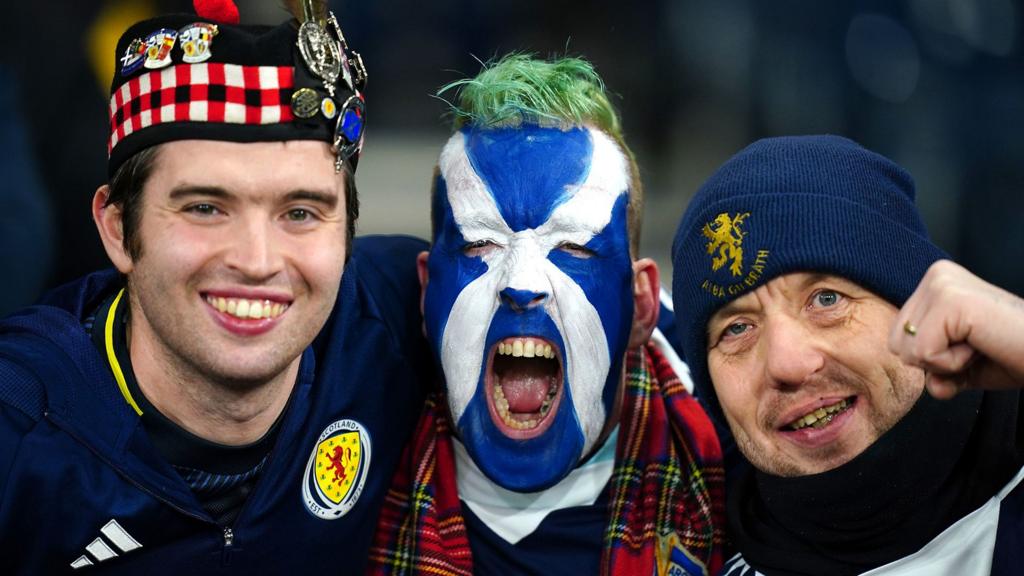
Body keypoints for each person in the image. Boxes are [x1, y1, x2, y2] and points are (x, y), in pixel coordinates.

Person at [0, 0, 429, 573]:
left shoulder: (400, 315)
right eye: (205, 207)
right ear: (118, 230)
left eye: (301, 213)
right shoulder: (18, 426)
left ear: (348, 234)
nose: (257, 261)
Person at [369, 54, 726, 576]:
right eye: (480, 243)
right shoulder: (354, 429)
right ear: (425, 293)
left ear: (642, 305)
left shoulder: (735, 455)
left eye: (575, 247)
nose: (522, 283)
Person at [670, 135, 1024, 575]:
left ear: (921, 306)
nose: (788, 364)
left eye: (826, 299)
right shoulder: (688, 548)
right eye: (737, 329)